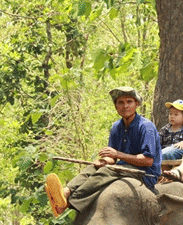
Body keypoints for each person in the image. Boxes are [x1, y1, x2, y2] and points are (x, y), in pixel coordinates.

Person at [45, 86, 161, 216]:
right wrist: (104, 160)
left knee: (107, 171)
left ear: (137, 104)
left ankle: (69, 202)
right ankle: (65, 192)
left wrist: (117, 155)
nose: (125, 106)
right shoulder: (116, 127)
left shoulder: (146, 127)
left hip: (146, 174)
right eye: (120, 103)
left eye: (129, 102)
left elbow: (148, 160)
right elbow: (112, 158)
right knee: (93, 167)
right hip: (123, 167)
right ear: (116, 106)